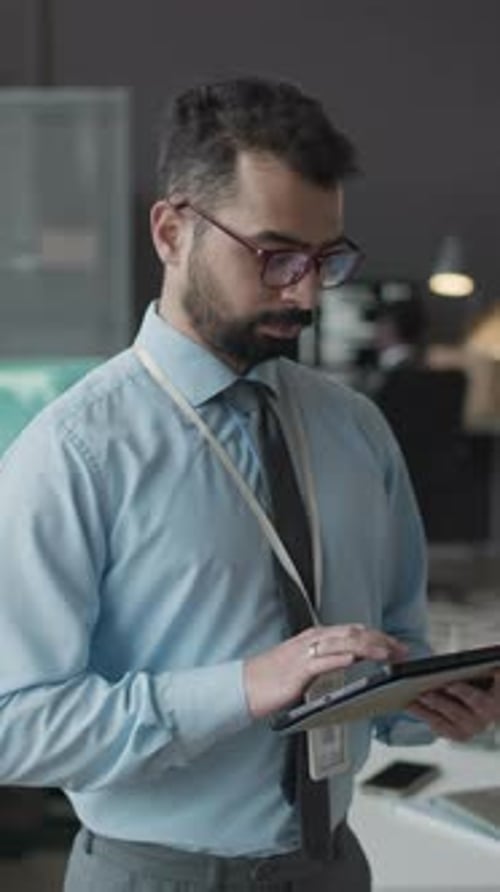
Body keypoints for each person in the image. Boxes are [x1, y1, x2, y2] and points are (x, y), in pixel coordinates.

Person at [0, 77, 498, 892]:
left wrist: (435, 704)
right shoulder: (73, 453)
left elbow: (391, 657)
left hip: (335, 867)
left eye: (324, 259)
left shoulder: (357, 430)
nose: (303, 290)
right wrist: (241, 689)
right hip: (156, 877)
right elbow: (12, 725)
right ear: (172, 231)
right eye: (274, 255)